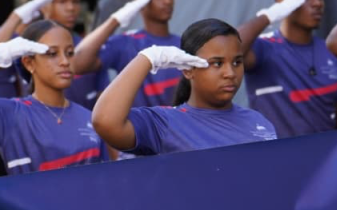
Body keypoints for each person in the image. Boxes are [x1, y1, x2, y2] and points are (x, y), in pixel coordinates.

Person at [92, 19, 278, 156]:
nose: (230, 72)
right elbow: (105, 121)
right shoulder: (164, 123)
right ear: (188, 70)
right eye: (217, 63)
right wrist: (148, 58)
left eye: (237, 62)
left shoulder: (258, 121)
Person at [0, 20, 104, 174]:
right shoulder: (11, 113)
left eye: (70, 53)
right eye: (52, 53)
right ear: (29, 63)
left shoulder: (89, 117)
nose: (64, 61)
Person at [235, 0, 337, 137]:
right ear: (281, 2)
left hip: (326, 157)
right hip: (275, 157)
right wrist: (270, 15)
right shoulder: (263, 48)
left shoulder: (332, 51)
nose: (317, 3)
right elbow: (229, 50)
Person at [0, 0, 107, 110]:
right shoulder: (27, 43)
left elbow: (104, 99)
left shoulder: (87, 47)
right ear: (43, 6)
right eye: (62, 1)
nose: (71, 7)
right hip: (35, 125)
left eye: (75, 1)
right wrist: (15, 17)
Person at [73, 0, 181, 107]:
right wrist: (117, 19)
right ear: (139, 1)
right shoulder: (126, 43)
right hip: (141, 128)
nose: (167, 0)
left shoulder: (184, 43)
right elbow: (77, 63)